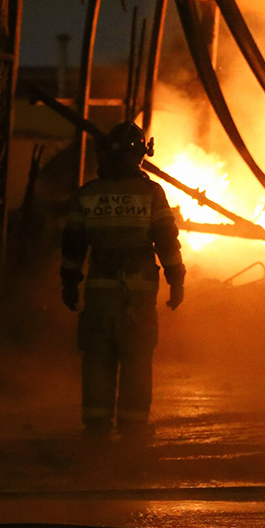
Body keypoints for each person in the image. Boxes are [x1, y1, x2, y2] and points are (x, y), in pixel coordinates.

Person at [60, 122, 185, 441]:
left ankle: (97, 426)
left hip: (99, 297)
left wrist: (70, 282)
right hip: (138, 297)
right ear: (142, 155)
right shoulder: (151, 193)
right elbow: (166, 240)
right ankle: (133, 428)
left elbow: (73, 244)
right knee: (137, 360)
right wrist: (176, 279)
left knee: (97, 360)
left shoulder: (87, 194)